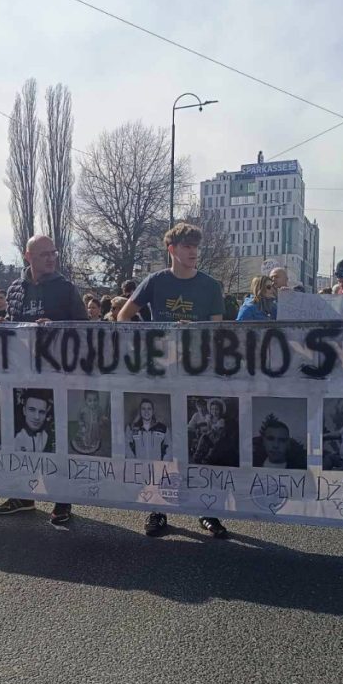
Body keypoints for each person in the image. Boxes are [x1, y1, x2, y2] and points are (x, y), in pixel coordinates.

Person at [118, 222, 227, 539]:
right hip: (160, 376)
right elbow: (123, 317)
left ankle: (207, 509)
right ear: (172, 250)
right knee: (161, 445)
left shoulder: (211, 286)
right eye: (187, 246)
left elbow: (217, 332)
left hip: (196, 377)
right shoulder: (155, 281)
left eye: (196, 247)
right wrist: (150, 339)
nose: (193, 252)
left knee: (198, 443)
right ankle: (157, 508)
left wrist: (192, 334)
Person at [0, 234, 87, 524]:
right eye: (44, 254)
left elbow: (85, 329)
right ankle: (24, 496)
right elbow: (13, 326)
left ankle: (62, 499)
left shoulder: (66, 289)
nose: (51, 258)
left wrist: (57, 327)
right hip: (24, 377)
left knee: (57, 440)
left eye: (53, 253)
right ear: (28, 257)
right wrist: (2, 325)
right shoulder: (15, 288)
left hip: (57, 376)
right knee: (23, 438)